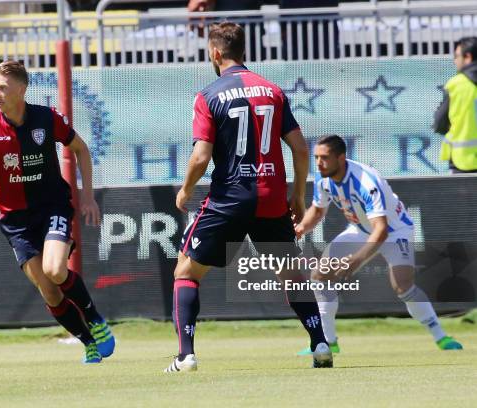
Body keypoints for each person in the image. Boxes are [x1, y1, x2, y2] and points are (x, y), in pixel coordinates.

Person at [164, 22, 332, 373]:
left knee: (186, 272)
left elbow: (200, 156)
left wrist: (185, 189)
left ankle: (186, 356)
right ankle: (319, 343)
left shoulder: (208, 95)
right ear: (245, 52)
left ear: (214, 52)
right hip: (271, 198)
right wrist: (298, 195)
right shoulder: (272, 91)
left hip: (230, 199)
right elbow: (301, 149)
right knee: (292, 275)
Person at [0, 61, 115, 363]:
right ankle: (87, 341)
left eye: (3, 87)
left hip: (52, 206)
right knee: (49, 290)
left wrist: (88, 196)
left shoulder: (46, 117)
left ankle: (95, 319)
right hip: (15, 220)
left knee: (56, 270)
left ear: (21, 89)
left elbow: (80, 149)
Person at [294, 135, 463, 355]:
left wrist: (356, 260)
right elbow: (317, 211)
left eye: (324, 157)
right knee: (319, 275)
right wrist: (299, 229)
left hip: (395, 231)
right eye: (316, 157)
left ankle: (441, 337)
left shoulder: (366, 182)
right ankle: (328, 342)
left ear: (341, 158)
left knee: (403, 286)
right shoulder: (323, 177)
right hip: (360, 231)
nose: (318, 162)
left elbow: (381, 230)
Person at [433, 36, 477, 173]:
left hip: (462, 161)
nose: (455, 61)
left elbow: (439, 122)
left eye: (457, 56)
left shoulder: (457, 85)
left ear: (468, 57)